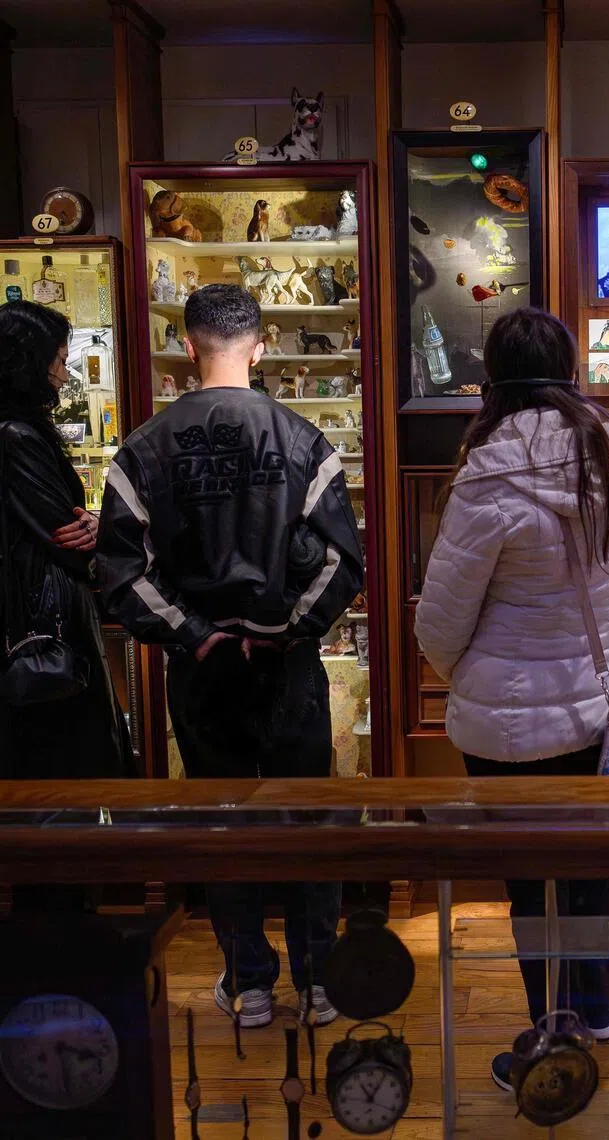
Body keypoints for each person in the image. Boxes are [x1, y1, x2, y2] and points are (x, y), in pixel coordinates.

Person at [96, 285, 363, 1029]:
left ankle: (249, 984)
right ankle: (317, 981)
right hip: (287, 667)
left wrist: (194, 633)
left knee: (223, 823)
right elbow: (342, 567)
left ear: (188, 346)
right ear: (262, 341)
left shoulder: (142, 449)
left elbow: (120, 575)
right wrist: (280, 632)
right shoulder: (306, 440)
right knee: (307, 822)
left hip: (203, 669)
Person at [415, 307, 609, 1090]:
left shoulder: (485, 468)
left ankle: (548, 1032)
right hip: (597, 698)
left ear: (494, 377)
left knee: (527, 879)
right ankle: (599, 1002)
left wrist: (478, 674)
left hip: (503, 725)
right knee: (590, 865)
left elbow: (441, 622)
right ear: (569, 366)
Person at [0, 301, 129, 781]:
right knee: (64, 763)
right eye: (58, 360)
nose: (65, 374)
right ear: (29, 362)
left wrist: (94, 526)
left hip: (26, 610)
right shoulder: (18, 436)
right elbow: (65, 533)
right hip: (42, 618)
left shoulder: (17, 432)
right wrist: (100, 532)